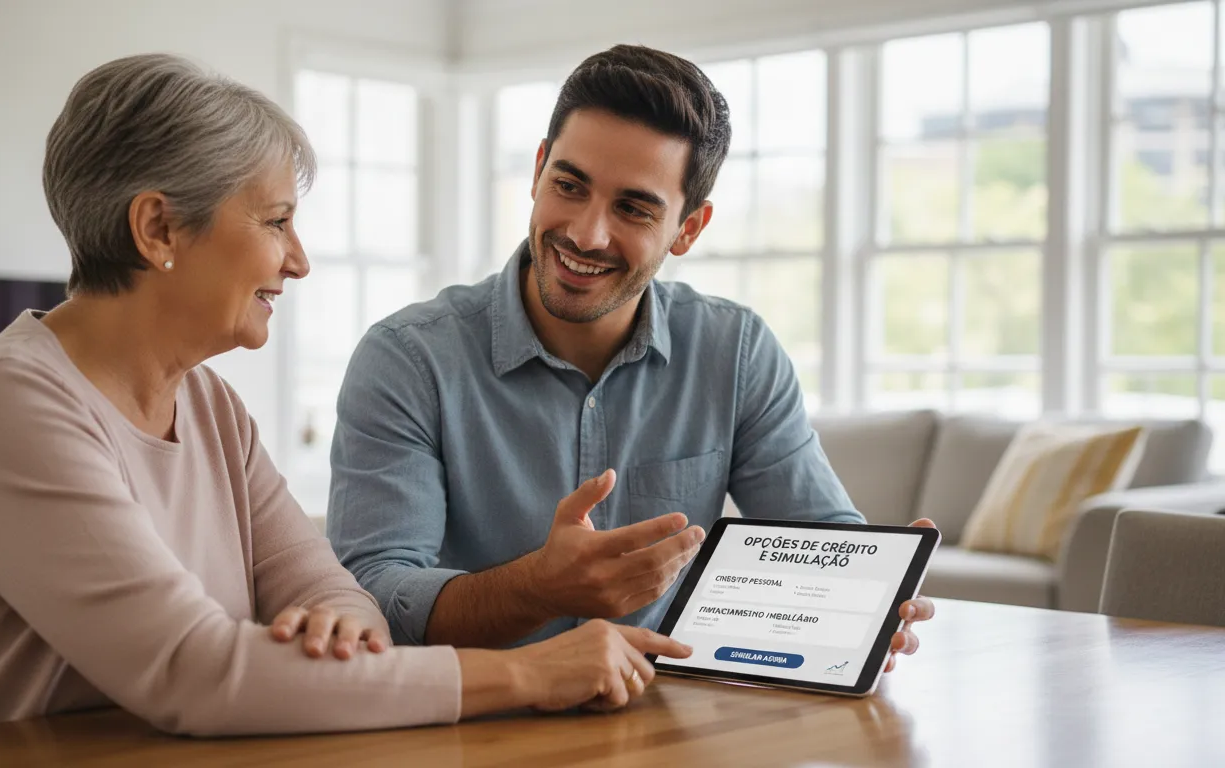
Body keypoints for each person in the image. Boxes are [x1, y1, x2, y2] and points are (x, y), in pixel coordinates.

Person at [0, 53, 692, 739]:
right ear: (158, 230)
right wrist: (525, 674)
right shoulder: (9, 403)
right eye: (275, 222)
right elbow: (191, 671)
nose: (297, 260)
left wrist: (340, 629)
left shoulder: (211, 408)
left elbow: (343, 598)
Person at [328, 45, 937, 657]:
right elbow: (372, 596)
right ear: (538, 171)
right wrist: (539, 588)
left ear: (689, 228)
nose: (585, 234)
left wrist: (873, 601)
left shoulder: (736, 352)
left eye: (633, 208)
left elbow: (821, 545)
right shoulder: (407, 359)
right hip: (474, 721)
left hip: (667, 714)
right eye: (569, 185)